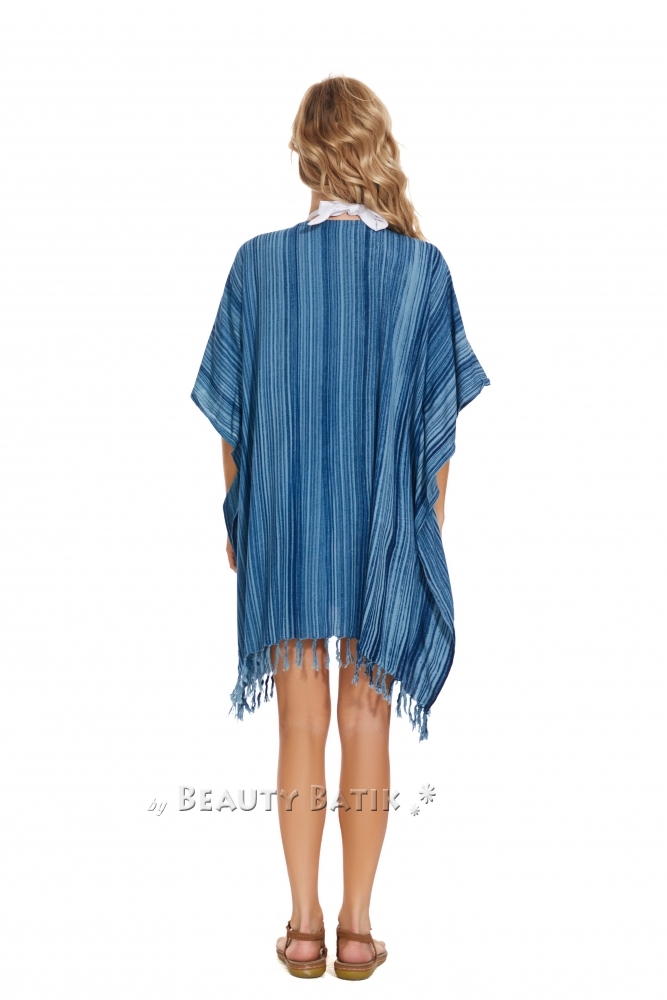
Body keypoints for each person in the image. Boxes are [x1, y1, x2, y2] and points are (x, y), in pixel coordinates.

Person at [190, 76, 490, 980]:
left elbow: (232, 422)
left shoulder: (257, 266)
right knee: (367, 725)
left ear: (305, 157)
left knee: (298, 725)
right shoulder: (420, 270)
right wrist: (423, 533)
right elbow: (437, 431)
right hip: (377, 526)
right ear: (373, 147)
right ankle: (356, 929)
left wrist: (242, 521)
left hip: (284, 524)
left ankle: (303, 927)